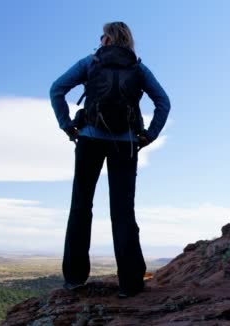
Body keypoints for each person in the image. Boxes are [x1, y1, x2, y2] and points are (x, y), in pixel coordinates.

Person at [49, 21, 170, 298]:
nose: (100, 38)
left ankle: (75, 279)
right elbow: (163, 101)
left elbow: (56, 89)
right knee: (123, 211)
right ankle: (130, 283)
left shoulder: (90, 63)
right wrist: (149, 135)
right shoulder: (137, 68)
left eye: (102, 34)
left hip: (89, 140)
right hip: (126, 145)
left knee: (81, 206)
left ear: (108, 38)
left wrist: (67, 125)